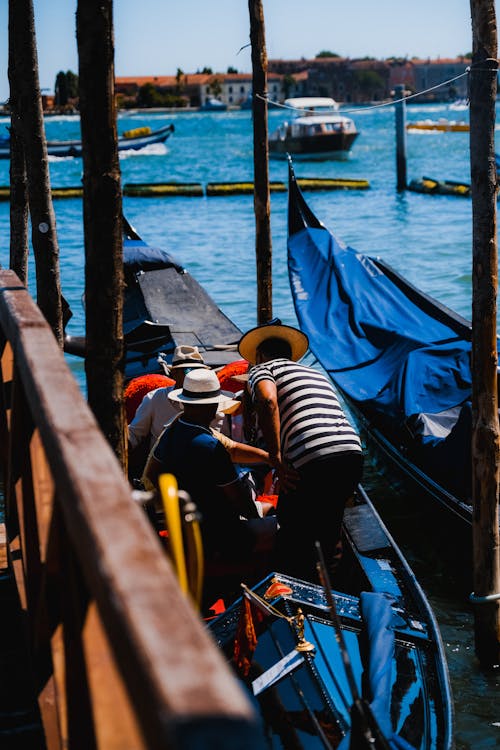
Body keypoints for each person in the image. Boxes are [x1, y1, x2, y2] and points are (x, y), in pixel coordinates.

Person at [238, 320, 363, 581]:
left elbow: (268, 399)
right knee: (330, 531)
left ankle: (298, 597)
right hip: (352, 453)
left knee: (292, 531)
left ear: (259, 356)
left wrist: (276, 460)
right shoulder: (315, 374)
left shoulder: (261, 369)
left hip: (314, 458)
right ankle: (332, 595)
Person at [143, 368, 277, 593]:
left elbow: (153, 474)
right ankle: (260, 587)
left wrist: (272, 459)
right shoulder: (210, 447)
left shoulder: (174, 430)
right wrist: (252, 515)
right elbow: (239, 501)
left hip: (190, 524)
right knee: (285, 528)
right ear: (211, 405)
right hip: (219, 534)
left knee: (268, 506)